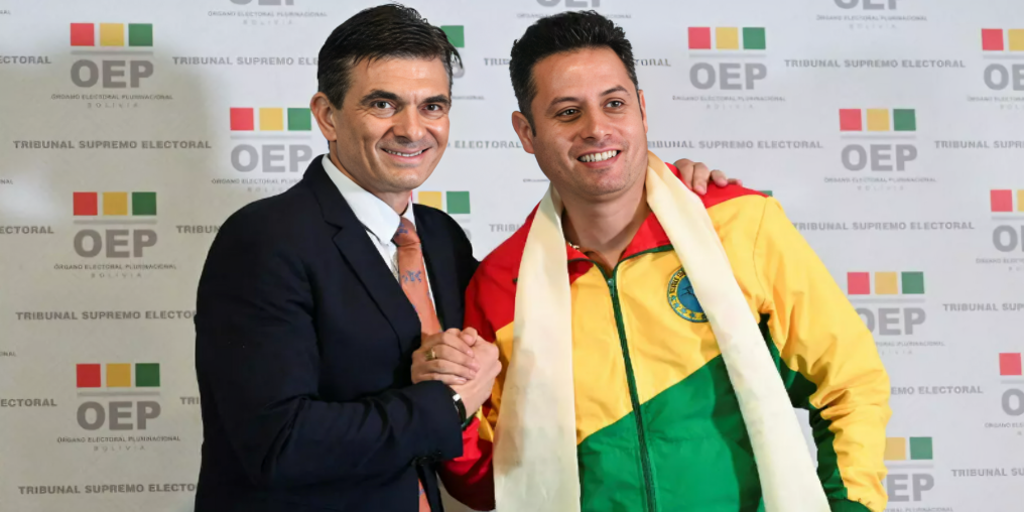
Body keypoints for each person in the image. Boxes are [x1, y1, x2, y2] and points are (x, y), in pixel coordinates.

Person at [193, 5, 734, 511]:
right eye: (383, 104)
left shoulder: (441, 238)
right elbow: (277, 443)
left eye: (432, 106)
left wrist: (663, 191)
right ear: (327, 116)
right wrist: (447, 403)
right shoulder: (264, 239)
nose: (412, 128)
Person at [426, 11, 892, 512]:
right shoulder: (501, 283)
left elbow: (847, 383)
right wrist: (450, 401)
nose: (596, 129)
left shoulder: (736, 223)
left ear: (642, 110)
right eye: (568, 112)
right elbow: (484, 483)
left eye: (614, 104)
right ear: (526, 132)